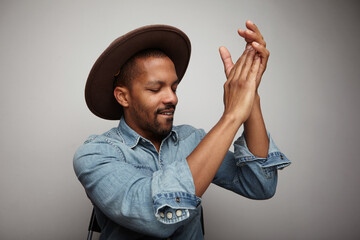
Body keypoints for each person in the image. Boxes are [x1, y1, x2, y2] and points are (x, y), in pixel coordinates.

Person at [74, 22, 290, 240]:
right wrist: (232, 116)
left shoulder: (192, 140)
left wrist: (249, 94)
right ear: (123, 96)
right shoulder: (95, 154)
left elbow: (260, 185)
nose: (172, 98)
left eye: (174, 87)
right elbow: (155, 217)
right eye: (155, 89)